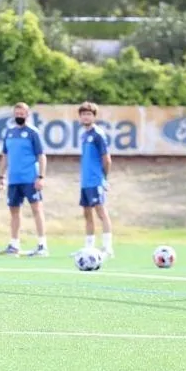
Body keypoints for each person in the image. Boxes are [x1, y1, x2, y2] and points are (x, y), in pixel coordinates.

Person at [0, 102, 48, 257]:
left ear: (27, 115)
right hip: (14, 180)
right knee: (14, 211)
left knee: (36, 209)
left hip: (30, 178)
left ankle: (42, 245)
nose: (19, 116)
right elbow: (5, 156)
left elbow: (41, 156)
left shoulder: (33, 132)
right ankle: (14, 245)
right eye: (17, 114)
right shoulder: (9, 132)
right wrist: (1, 176)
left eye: (22, 114)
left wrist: (41, 177)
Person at [77, 101, 113, 258]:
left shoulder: (98, 134)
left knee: (101, 212)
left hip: (95, 180)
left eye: (89, 114)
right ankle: (89, 247)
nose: (86, 117)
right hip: (85, 181)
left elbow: (107, 159)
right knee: (87, 214)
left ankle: (107, 248)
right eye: (83, 114)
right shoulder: (84, 135)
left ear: (94, 116)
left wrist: (103, 178)